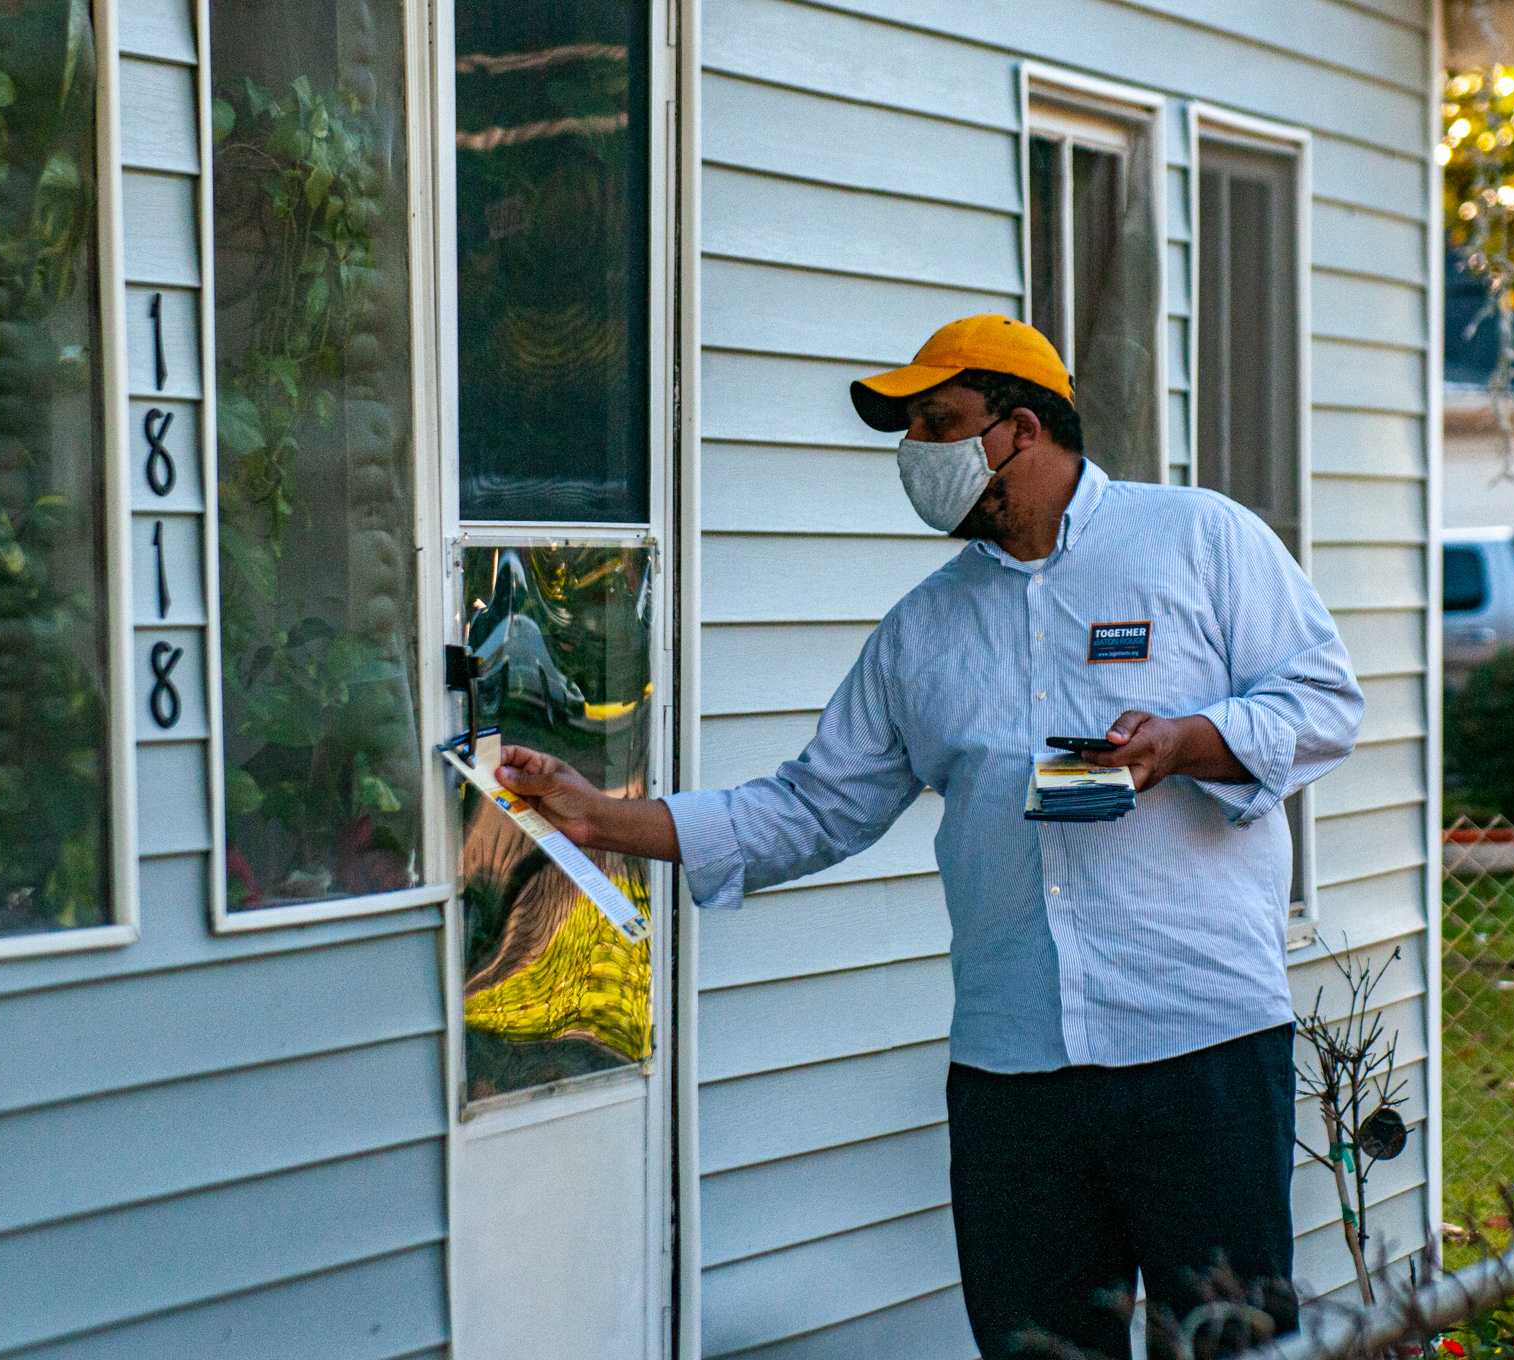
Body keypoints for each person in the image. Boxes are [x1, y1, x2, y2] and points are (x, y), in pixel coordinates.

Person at [493, 314, 1364, 1357]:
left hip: (1200, 1047)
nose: (916, 455)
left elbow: (1323, 702)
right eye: (905, 432)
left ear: (1022, 427)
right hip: (1013, 1082)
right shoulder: (922, 629)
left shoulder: (1197, 540)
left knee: (1231, 1346)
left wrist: (1188, 738)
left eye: (937, 423)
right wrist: (601, 816)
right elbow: (809, 805)